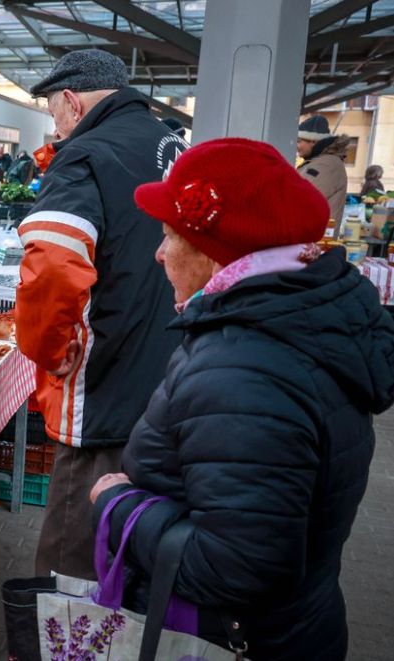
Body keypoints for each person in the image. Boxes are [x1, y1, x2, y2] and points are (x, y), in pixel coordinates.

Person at [90, 137, 394, 660]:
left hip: (229, 640)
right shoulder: (300, 318)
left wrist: (118, 505)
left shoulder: (244, 366)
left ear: (214, 254)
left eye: (168, 235)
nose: (159, 253)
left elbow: (238, 568)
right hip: (296, 627)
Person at [15, 49, 186, 579]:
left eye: (53, 111)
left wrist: (44, 351)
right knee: (137, 534)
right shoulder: (174, 146)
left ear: (72, 101)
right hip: (173, 372)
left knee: (75, 549)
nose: (56, 124)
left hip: (106, 384)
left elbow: (53, 266)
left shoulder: (86, 154)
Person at [297, 114, 350, 221]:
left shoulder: (326, 164)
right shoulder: (319, 161)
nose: (296, 146)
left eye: (299, 141)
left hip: (316, 235)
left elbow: (299, 196)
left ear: (313, 141)